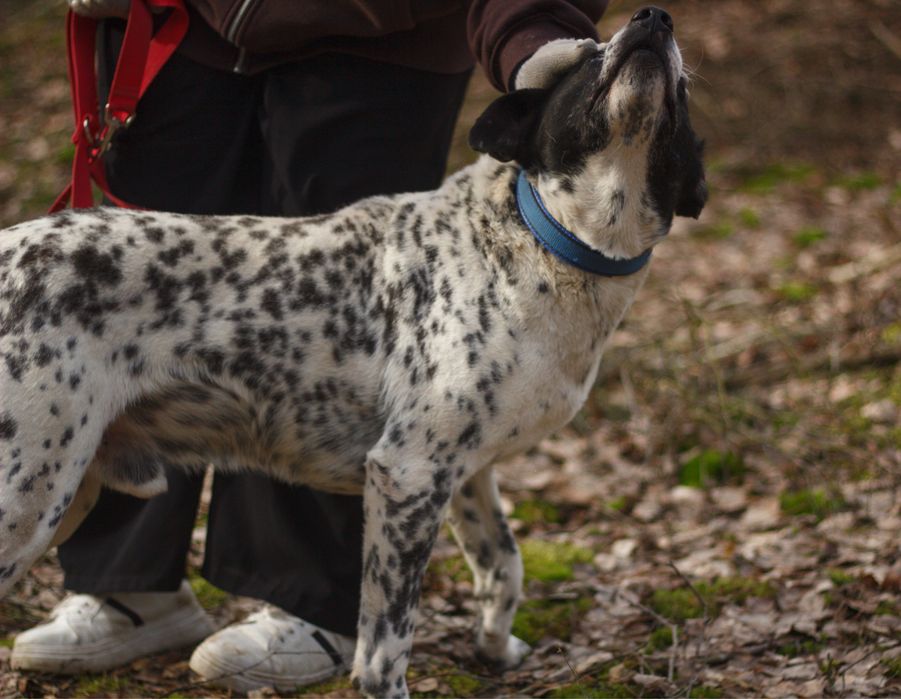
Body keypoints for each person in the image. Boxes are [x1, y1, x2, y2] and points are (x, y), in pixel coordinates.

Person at [11, 0, 608, 691]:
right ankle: (127, 585)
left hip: (379, 41)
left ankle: (307, 601)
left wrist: (534, 35)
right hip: (182, 27)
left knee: (343, 336)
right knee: (124, 298)